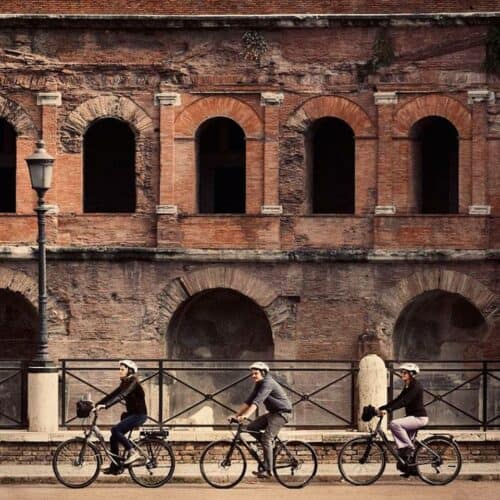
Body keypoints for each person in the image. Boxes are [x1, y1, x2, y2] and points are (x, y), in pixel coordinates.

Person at [231, 362, 292, 479]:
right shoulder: (259, 383)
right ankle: (269, 446)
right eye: (252, 374)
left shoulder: (268, 383)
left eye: (256, 373)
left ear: (263, 373)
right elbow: (249, 401)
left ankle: (268, 470)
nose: (253, 376)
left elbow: (257, 402)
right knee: (251, 428)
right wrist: (236, 415)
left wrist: (246, 415)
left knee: (266, 438)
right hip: (273, 413)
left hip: (282, 413)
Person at [94, 359, 148, 475]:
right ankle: (116, 467)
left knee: (115, 430)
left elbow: (122, 395)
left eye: (122, 369)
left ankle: (133, 453)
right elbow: (113, 395)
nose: (119, 371)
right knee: (114, 437)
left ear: (130, 371)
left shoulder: (133, 382)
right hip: (131, 415)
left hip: (139, 415)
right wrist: (97, 404)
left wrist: (106, 406)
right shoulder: (124, 383)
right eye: (119, 369)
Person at [378, 362, 428, 476]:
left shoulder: (415, 386)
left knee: (394, 424)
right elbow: (398, 400)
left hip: (419, 418)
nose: (402, 374)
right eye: (401, 372)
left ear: (411, 374)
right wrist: (382, 408)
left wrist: (388, 411)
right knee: (404, 448)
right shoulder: (408, 386)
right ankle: (410, 468)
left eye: (404, 372)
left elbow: (405, 401)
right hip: (412, 417)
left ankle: (409, 447)